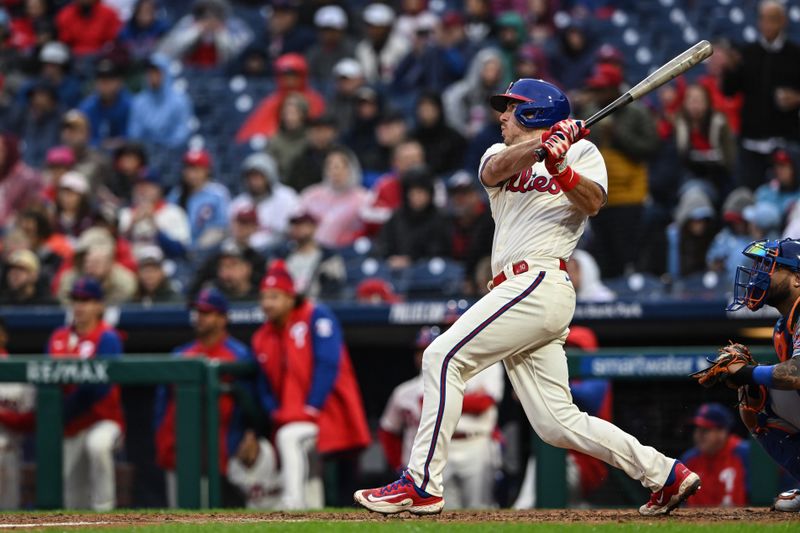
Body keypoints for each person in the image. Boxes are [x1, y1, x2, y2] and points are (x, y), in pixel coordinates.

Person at [354, 78, 700, 516]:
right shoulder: (498, 153)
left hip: (540, 279)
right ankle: (665, 473)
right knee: (556, 422)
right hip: (516, 289)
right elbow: (493, 172)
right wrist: (541, 147)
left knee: (442, 357)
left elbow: (592, 202)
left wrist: (560, 164)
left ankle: (422, 483)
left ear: (535, 111)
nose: (501, 117)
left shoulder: (583, 152)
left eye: (511, 109)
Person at [252, 261, 370, 509]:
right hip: (292, 413)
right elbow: (263, 381)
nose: (267, 303)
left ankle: (292, 501)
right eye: (263, 297)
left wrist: (313, 406)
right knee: (309, 466)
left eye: (274, 297)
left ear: (289, 296)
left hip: (328, 413)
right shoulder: (262, 335)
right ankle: (314, 513)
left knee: (288, 438)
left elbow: (328, 363)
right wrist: (273, 410)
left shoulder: (316, 315)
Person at [699, 238, 800, 511]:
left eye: (770, 267)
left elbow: (798, 372)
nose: (758, 275)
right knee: (755, 399)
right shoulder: (783, 327)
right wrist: (749, 380)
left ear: (797, 279)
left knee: (755, 384)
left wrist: (746, 372)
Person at [380, 326, 504, 509]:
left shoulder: (476, 367)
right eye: (420, 350)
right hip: (440, 448)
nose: (424, 355)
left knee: (480, 506)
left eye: (428, 348)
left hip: (475, 442)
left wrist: (451, 400)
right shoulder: (409, 388)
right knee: (444, 509)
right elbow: (391, 427)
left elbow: (484, 403)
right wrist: (398, 464)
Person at [154, 288, 254, 508]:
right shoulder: (180, 354)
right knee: (178, 517)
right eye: (198, 312)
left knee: (219, 517)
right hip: (180, 448)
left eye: (207, 313)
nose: (199, 318)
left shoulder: (239, 354)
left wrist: (250, 433)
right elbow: (163, 405)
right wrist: (163, 440)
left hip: (223, 448)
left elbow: (251, 403)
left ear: (223, 318)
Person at [47, 277, 125, 510]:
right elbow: (47, 381)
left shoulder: (108, 337)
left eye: (86, 301)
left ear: (99, 305)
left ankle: (105, 514)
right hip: (70, 424)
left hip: (103, 419)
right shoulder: (58, 337)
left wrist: (63, 413)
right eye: (76, 300)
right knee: (72, 493)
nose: (79, 306)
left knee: (97, 445)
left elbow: (99, 388)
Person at [581, 63, 658, 278]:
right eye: (594, 89)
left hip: (629, 195)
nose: (596, 93)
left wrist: (619, 135)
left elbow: (651, 148)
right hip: (600, 194)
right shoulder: (590, 112)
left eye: (601, 88)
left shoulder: (637, 112)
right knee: (604, 255)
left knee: (628, 253)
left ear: (615, 89)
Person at [721, 0, 800, 190]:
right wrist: (730, 70)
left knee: (785, 194)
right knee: (749, 194)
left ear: (783, 21)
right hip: (751, 142)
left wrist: (797, 98)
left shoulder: (796, 55)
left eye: (773, 19)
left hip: (784, 141)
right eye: (763, 19)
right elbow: (729, 90)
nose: (767, 25)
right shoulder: (746, 53)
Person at [236, 53, 325, 141]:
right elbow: (251, 133)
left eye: (294, 74)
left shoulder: (313, 100)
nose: (289, 79)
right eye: (285, 75)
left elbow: (319, 129)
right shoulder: (272, 101)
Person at [376, 167, 451, 270]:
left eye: (420, 192)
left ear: (429, 194)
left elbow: (440, 251)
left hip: (426, 272)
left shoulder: (440, 219)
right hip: (394, 270)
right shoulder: (397, 216)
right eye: (413, 193)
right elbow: (384, 244)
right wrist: (390, 258)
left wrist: (412, 260)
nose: (416, 197)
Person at [680, 403, 749, 507]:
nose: (699, 434)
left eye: (705, 430)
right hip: (697, 522)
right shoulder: (689, 459)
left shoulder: (744, 453)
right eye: (697, 429)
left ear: (722, 432)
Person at [299, 146, 368, 248]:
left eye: (341, 167)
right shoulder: (311, 195)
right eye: (330, 167)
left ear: (352, 169)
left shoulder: (364, 198)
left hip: (346, 252)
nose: (335, 172)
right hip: (311, 251)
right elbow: (297, 223)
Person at [229, 153, 299, 251]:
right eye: (251, 177)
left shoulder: (286, 196)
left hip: (279, 248)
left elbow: (292, 229)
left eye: (258, 176)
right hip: (246, 251)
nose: (254, 182)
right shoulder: (239, 203)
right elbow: (233, 233)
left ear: (270, 176)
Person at [0, 318, 35, 510]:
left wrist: (4, 415)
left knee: (9, 515)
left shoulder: (18, 371)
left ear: (4, 336)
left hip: (10, 451)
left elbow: (30, 421)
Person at [166, 149, 230, 255]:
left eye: (197, 169)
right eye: (189, 169)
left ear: (207, 170)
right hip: (180, 248)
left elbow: (221, 227)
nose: (192, 174)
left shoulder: (218, 193)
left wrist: (198, 248)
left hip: (210, 249)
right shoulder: (176, 195)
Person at [119, 169, 191, 260]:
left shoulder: (174, 212)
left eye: (149, 186)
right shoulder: (126, 213)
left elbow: (179, 250)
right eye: (140, 185)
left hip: (164, 265)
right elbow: (116, 248)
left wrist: (155, 225)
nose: (143, 190)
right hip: (133, 266)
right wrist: (132, 223)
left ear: (159, 189)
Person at [157, 0, 252, 69]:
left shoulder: (233, 24)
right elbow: (169, 50)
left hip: (223, 74)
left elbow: (239, 54)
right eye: (205, 13)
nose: (210, 17)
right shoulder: (188, 22)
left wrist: (220, 33)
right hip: (190, 71)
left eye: (214, 12)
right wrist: (197, 31)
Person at [273, 210, 345, 299]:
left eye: (302, 225)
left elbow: (333, 289)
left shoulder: (329, 256)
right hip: (286, 305)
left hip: (316, 306)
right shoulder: (282, 255)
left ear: (313, 227)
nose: (297, 228)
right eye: (294, 225)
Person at [127, 54, 194, 149]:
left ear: (166, 74)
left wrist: (165, 147)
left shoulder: (180, 101)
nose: (153, 76)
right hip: (145, 152)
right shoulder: (138, 102)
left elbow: (182, 132)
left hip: (172, 152)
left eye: (157, 72)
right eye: (150, 73)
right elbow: (134, 133)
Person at [447, 171, 494, 296]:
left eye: (465, 194)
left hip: (486, 271)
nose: (460, 199)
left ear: (477, 194)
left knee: (485, 267)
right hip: (456, 273)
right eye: (455, 195)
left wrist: (470, 277)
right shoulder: (447, 221)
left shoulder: (491, 217)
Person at [78, 58, 132, 150]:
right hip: (93, 155)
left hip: (123, 155)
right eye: (102, 80)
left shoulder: (129, 105)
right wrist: (101, 144)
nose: (105, 85)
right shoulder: (87, 107)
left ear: (119, 82)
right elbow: (82, 138)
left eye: (109, 80)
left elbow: (132, 136)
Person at [355, 3, 408, 85]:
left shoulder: (401, 46)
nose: (373, 31)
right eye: (370, 26)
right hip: (371, 89)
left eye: (378, 27)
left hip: (397, 88)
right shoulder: (362, 48)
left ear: (388, 28)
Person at [305, 5, 356, 90]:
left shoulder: (352, 49)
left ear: (342, 30)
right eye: (325, 30)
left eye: (333, 30)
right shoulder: (313, 52)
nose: (329, 34)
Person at [0, 134, 43, 228]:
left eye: (1, 150)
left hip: (16, 229)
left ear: (9, 151)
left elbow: (32, 209)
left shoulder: (27, 177)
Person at [56, 0, 122, 56]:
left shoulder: (109, 14)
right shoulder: (66, 14)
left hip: (100, 54)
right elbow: (64, 39)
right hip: (72, 55)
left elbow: (112, 38)